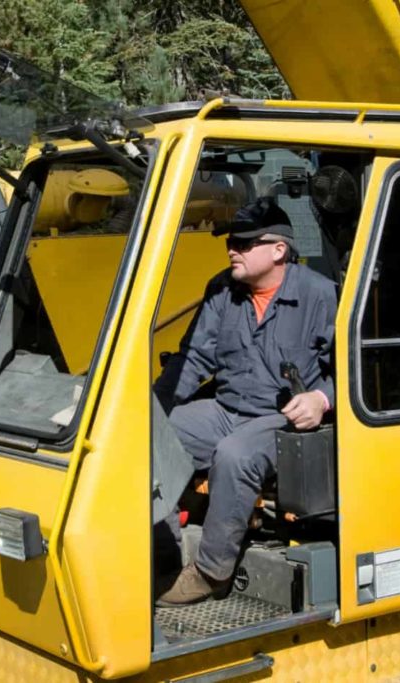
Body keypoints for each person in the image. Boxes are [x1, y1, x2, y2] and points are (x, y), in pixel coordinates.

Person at [153, 198, 337, 607]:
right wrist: (151, 407)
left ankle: (210, 572)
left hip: (281, 420)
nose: (232, 249)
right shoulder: (222, 289)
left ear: (279, 250)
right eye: (230, 242)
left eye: (244, 242)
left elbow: (353, 370)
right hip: (226, 409)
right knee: (155, 434)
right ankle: (163, 553)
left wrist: (322, 399)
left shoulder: (321, 296)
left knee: (234, 455)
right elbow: (193, 357)